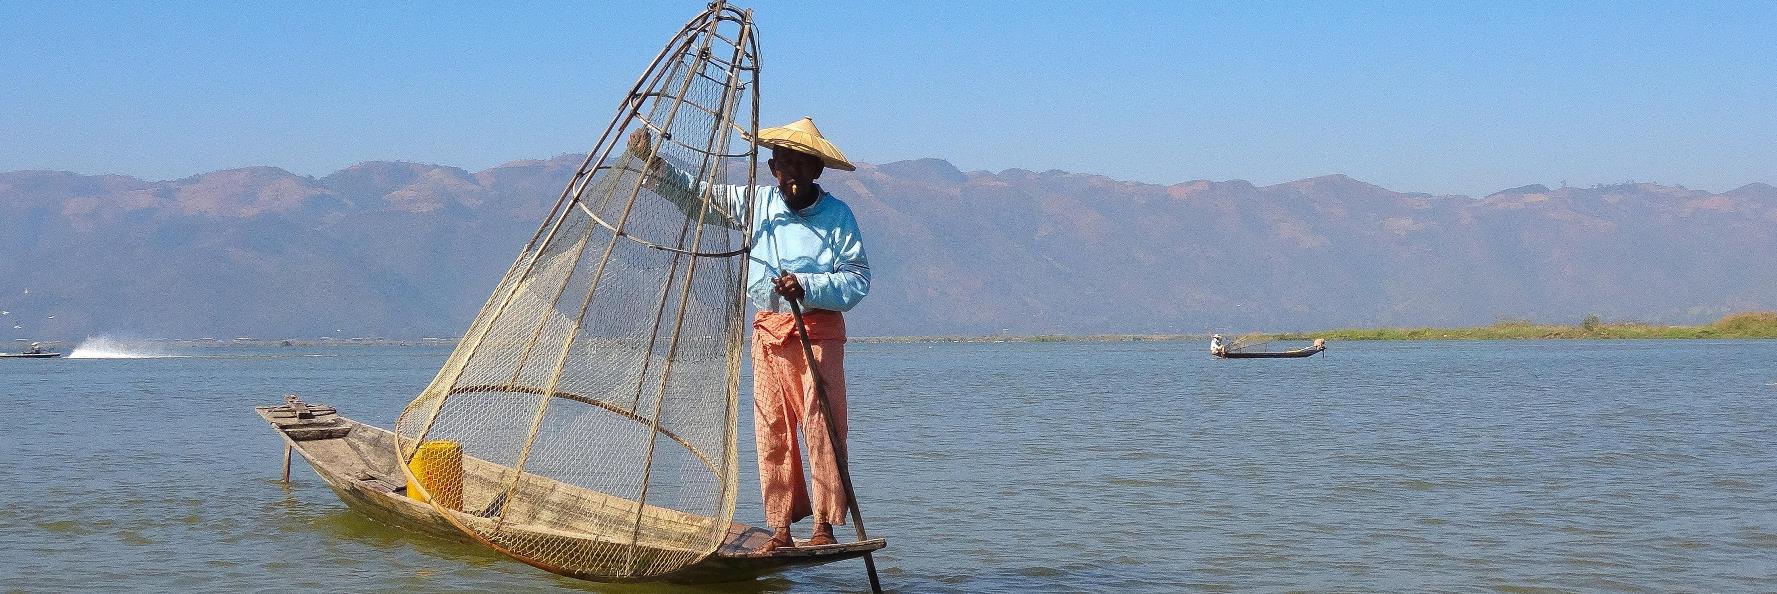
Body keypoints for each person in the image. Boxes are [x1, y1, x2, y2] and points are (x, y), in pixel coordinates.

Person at [629, 117, 870, 553]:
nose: (789, 174)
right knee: (772, 428)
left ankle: (824, 525)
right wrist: (654, 165)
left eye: (799, 165)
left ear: (816, 170)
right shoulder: (759, 204)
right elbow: (699, 197)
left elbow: (857, 279)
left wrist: (809, 286)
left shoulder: (838, 217)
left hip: (816, 333)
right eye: (781, 164)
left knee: (822, 426)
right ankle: (779, 527)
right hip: (768, 332)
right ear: (772, 168)